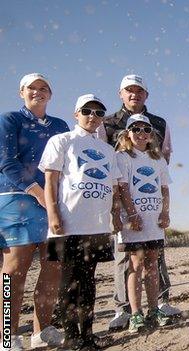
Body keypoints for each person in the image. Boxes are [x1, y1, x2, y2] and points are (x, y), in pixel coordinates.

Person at [96, 74, 180, 330]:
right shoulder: (108, 122)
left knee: (155, 256)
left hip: (151, 198)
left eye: (139, 90)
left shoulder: (159, 123)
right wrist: (116, 208)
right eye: (129, 90)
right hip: (121, 199)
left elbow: (165, 155)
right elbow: (102, 157)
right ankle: (124, 308)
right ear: (120, 94)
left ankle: (160, 302)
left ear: (146, 94)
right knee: (127, 259)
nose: (134, 94)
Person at [39, 94, 120, 349]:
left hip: (96, 225)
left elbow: (114, 187)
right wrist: (53, 213)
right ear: (76, 114)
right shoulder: (62, 141)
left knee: (88, 282)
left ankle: (87, 334)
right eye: (87, 111)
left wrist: (113, 216)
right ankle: (71, 337)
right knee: (69, 281)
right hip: (69, 223)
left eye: (98, 112)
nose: (92, 117)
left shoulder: (108, 150)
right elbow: (50, 180)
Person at [0, 73, 67, 350]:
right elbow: (6, 161)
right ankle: (8, 335)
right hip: (18, 202)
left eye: (43, 88)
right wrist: (39, 193)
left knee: (53, 264)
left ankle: (42, 331)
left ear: (50, 94)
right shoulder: (10, 120)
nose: (37, 92)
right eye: (32, 88)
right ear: (21, 93)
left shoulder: (61, 125)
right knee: (15, 268)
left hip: (53, 206)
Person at [114, 114, 172, 332]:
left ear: (151, 135)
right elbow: (122, 188)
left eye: (146, 130)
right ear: (128, 133)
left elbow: (165, 189)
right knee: (135, 265)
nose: (141, 134)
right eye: (136, 129)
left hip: (154, 220)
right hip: (134, 222)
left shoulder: (158, 160)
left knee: (153, 265)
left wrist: (165, 214)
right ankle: (135, 313)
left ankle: (154, 309)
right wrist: (131, 215)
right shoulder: (122, 157)